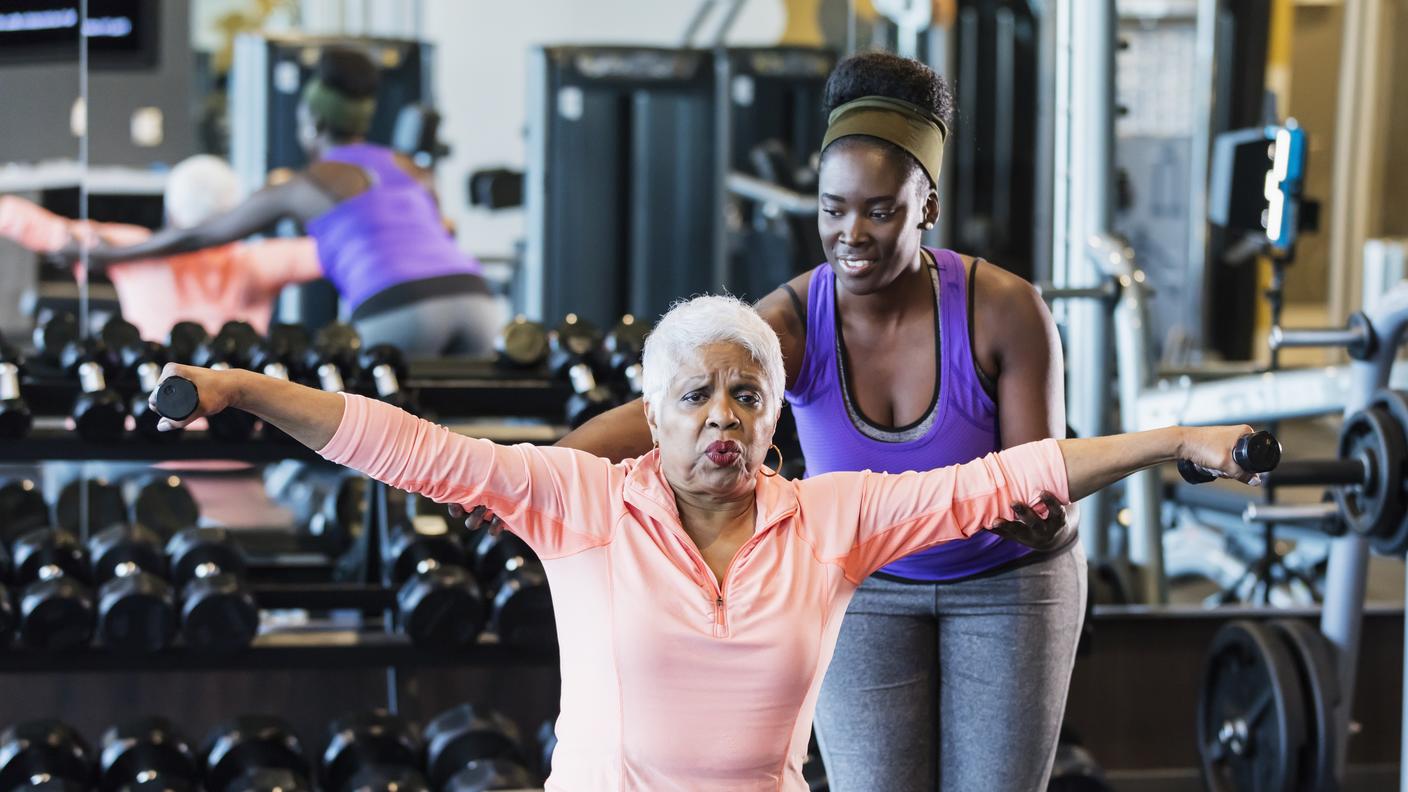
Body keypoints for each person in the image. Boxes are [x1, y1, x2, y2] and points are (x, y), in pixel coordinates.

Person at [151, 293, 1263, 791]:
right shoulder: (578, 501)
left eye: (747, 395)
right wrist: (241, 389)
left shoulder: (833, 518)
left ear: (773, 418)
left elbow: (999, 481)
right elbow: (411, 446)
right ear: (655, 409)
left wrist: (1173, 441)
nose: (721, 416)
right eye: (696, 396)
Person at [531, 51, 1078, 790]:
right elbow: (662, 411)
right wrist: (531, 478)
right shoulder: (793, 320)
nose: (851, 233)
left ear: (927, 206)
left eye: (879, 210)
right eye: (832, 209)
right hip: (866, 582)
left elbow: (1038, 480)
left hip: (1006, 583)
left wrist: (1034, 512)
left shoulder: (1005, 310)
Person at [83, 47, 501, 357]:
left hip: (398, 307)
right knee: (460, 446)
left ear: (314, 124)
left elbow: (201, 234)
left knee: (373, 446)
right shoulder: (409, 167)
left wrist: (113, 255)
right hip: (475, 299)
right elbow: (446, 230)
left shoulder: (307, 185)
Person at [0, 155, 320, 339]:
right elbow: (340, 248)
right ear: (237, 218)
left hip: (154, 426)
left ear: (170, 209)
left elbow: (22, 220)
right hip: (234, 430)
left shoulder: (132, 249)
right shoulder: (260, 261)